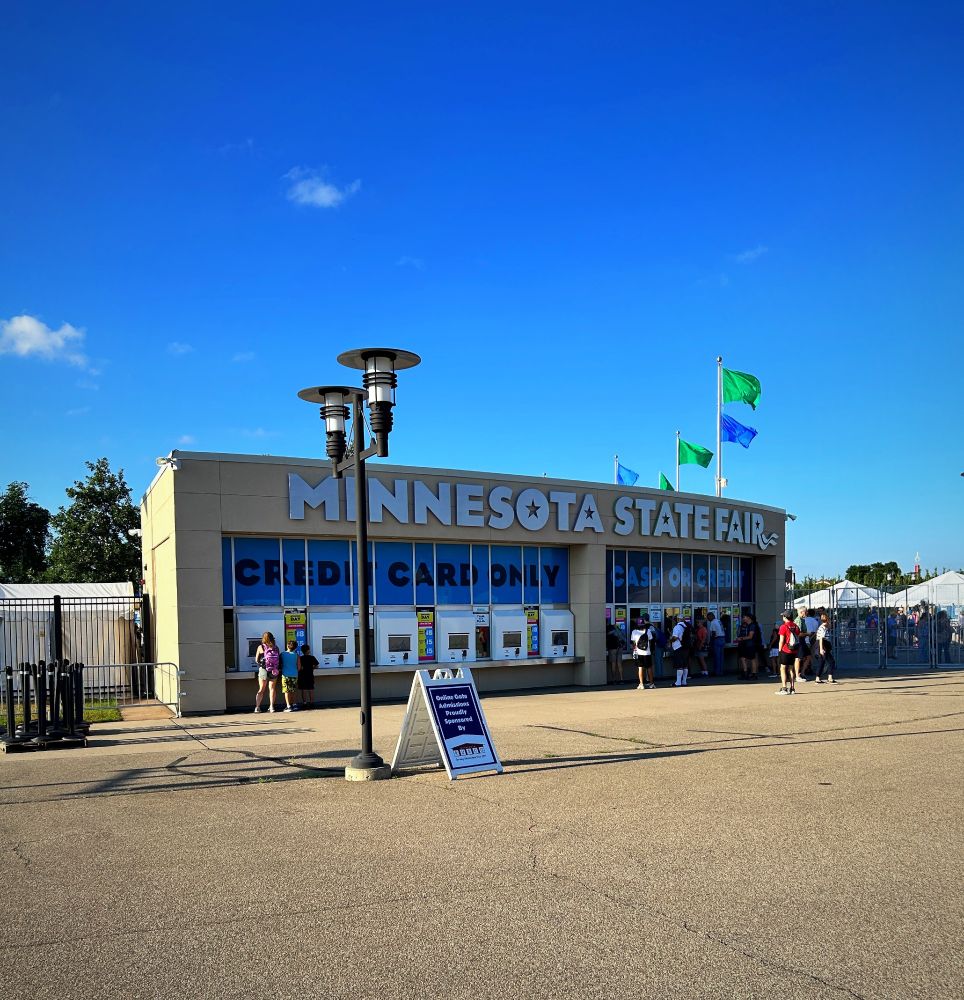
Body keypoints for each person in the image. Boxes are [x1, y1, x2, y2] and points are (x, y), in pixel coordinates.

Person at [254, 631, 281, 713]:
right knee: (272, 688)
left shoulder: (260, 647)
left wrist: (261, 663)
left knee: (261, 689)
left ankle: (257, 707)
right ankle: (272, 707)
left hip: (264, 669)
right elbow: (278, 660)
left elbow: (256, 660)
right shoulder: (276, 647)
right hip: (274, 670)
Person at [776, 611, 800, 695]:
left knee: (782, 668)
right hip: (794, 650)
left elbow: (781, 640)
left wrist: (779, 651)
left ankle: (784, 688)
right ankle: (792, 688)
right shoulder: (796, 626)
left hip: (785, 650)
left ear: (785, 617)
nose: (782, 617)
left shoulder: (783, 626)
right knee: (791, 668)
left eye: (783, 616)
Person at [630, 616, 656, 689]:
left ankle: (641, 684)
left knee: (640, 668)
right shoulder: (648, 631)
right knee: (649, 668)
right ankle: (651, 684)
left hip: (639, 652)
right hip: (647, 652)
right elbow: (650, 641)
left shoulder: (634, 632)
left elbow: (633, 643)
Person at [737, 613, 760, 680]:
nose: (743, 618)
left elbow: (750, 636)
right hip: (746, 645)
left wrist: (741, 638)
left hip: (750, 644)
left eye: (744, 617)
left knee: (752, 659)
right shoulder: (747, 625)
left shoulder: (752, 625)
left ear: (748, 618)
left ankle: (754, 674)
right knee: (744, 658)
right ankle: (746, 673)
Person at [279, 639, 301, 712]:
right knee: (293, 690)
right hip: (294, 674)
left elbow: (279, 664)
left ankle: (288, 706)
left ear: (287, 646)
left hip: (285, 674)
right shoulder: (297, 655)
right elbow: (299, 667)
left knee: (286, 691)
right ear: (295, 647)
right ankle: (294, 705)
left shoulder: (282, 654)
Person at [814, 613, 836, 683]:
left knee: (822, 662)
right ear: (827, 620)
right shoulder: (823, 627)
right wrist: (821, 649)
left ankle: (817, 678)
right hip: (823, 645)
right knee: (831, 661)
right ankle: (830, 678)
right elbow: (821, 638)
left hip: (822, 645)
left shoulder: (822, 627)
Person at [298, 643, 319, 708]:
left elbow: (299, 667)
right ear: (308, 650)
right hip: (310, 675)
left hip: (302, 676)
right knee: (311, 689)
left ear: (302, 651)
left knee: (303, 690)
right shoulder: (312, 657)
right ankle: (312, 702)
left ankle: (304, 703)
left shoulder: (300, 658)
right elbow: (317, 666)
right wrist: (312, 668)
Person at [671, 616, 689, 687]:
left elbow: (675, 637)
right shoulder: (687, 626)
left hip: (678, 647)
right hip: (686, 647)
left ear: (678, 619)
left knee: (679, 665)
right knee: (685, 664)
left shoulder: (677, 627)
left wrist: (670, 640)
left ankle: (678, 682)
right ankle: (684, 681)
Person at [706, 612, 726, 677]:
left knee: (717, 657)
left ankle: (717, 672)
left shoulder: (713, 622)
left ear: (711, 616)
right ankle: (721, 671)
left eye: (708, 617)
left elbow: (713, 634)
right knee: (721, 657)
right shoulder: (719, 621)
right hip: (722, 639)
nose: (707, 619)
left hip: (717, 639)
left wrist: (710, 643)